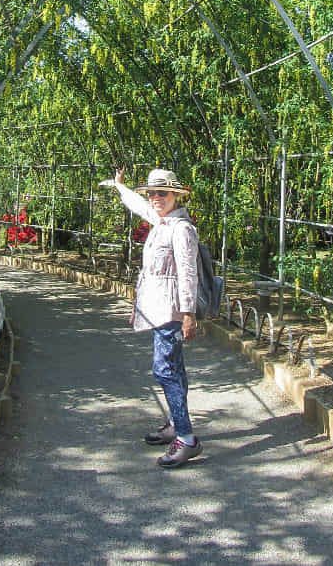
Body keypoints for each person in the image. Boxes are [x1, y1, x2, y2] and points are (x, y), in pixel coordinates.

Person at [108, 167, 202, 469]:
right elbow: (139, 206)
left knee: (164, 370)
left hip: (171, 312)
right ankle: (175, 424)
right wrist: (120, 187)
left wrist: (189, 314)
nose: (155, 198)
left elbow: (189, 273)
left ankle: (186, 438)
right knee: (174, 368)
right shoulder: (161, 221)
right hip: (160, 309)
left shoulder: (181, 229)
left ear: (176, 195)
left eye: (162, 192)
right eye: (152, 193)